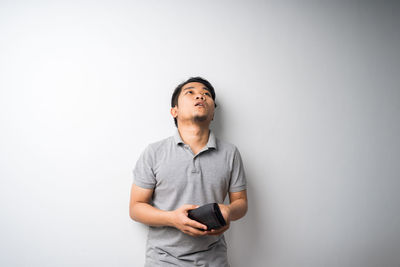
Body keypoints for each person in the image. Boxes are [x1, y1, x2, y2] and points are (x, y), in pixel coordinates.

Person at [129, 77, 248, 266]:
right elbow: (136, 207)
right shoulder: (154, 152)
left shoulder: (230, 153)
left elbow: (241, 203)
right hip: (163, 260)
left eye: (206, 94)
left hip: (214, 259)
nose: (200, 95)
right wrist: (173, 219)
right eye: (190, 92)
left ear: (213, 115)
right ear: (174, 111)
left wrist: (228, 211)